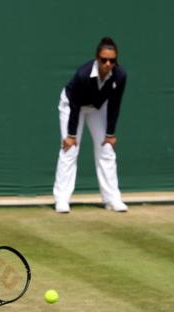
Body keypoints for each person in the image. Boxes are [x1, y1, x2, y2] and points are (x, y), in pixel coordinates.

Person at [52, 37, 129, 214]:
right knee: (69, 149)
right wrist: (71, 136)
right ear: (97, 58)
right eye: (103, 60)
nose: (108, 64)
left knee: (107, 149)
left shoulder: (120, 75)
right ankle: (62, 199)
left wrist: (110, 133)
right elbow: (74, 105)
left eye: (112, 60)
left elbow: (115, 104)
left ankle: (112, 199)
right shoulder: (83, 75)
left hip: (97, 107)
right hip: (72, 106)